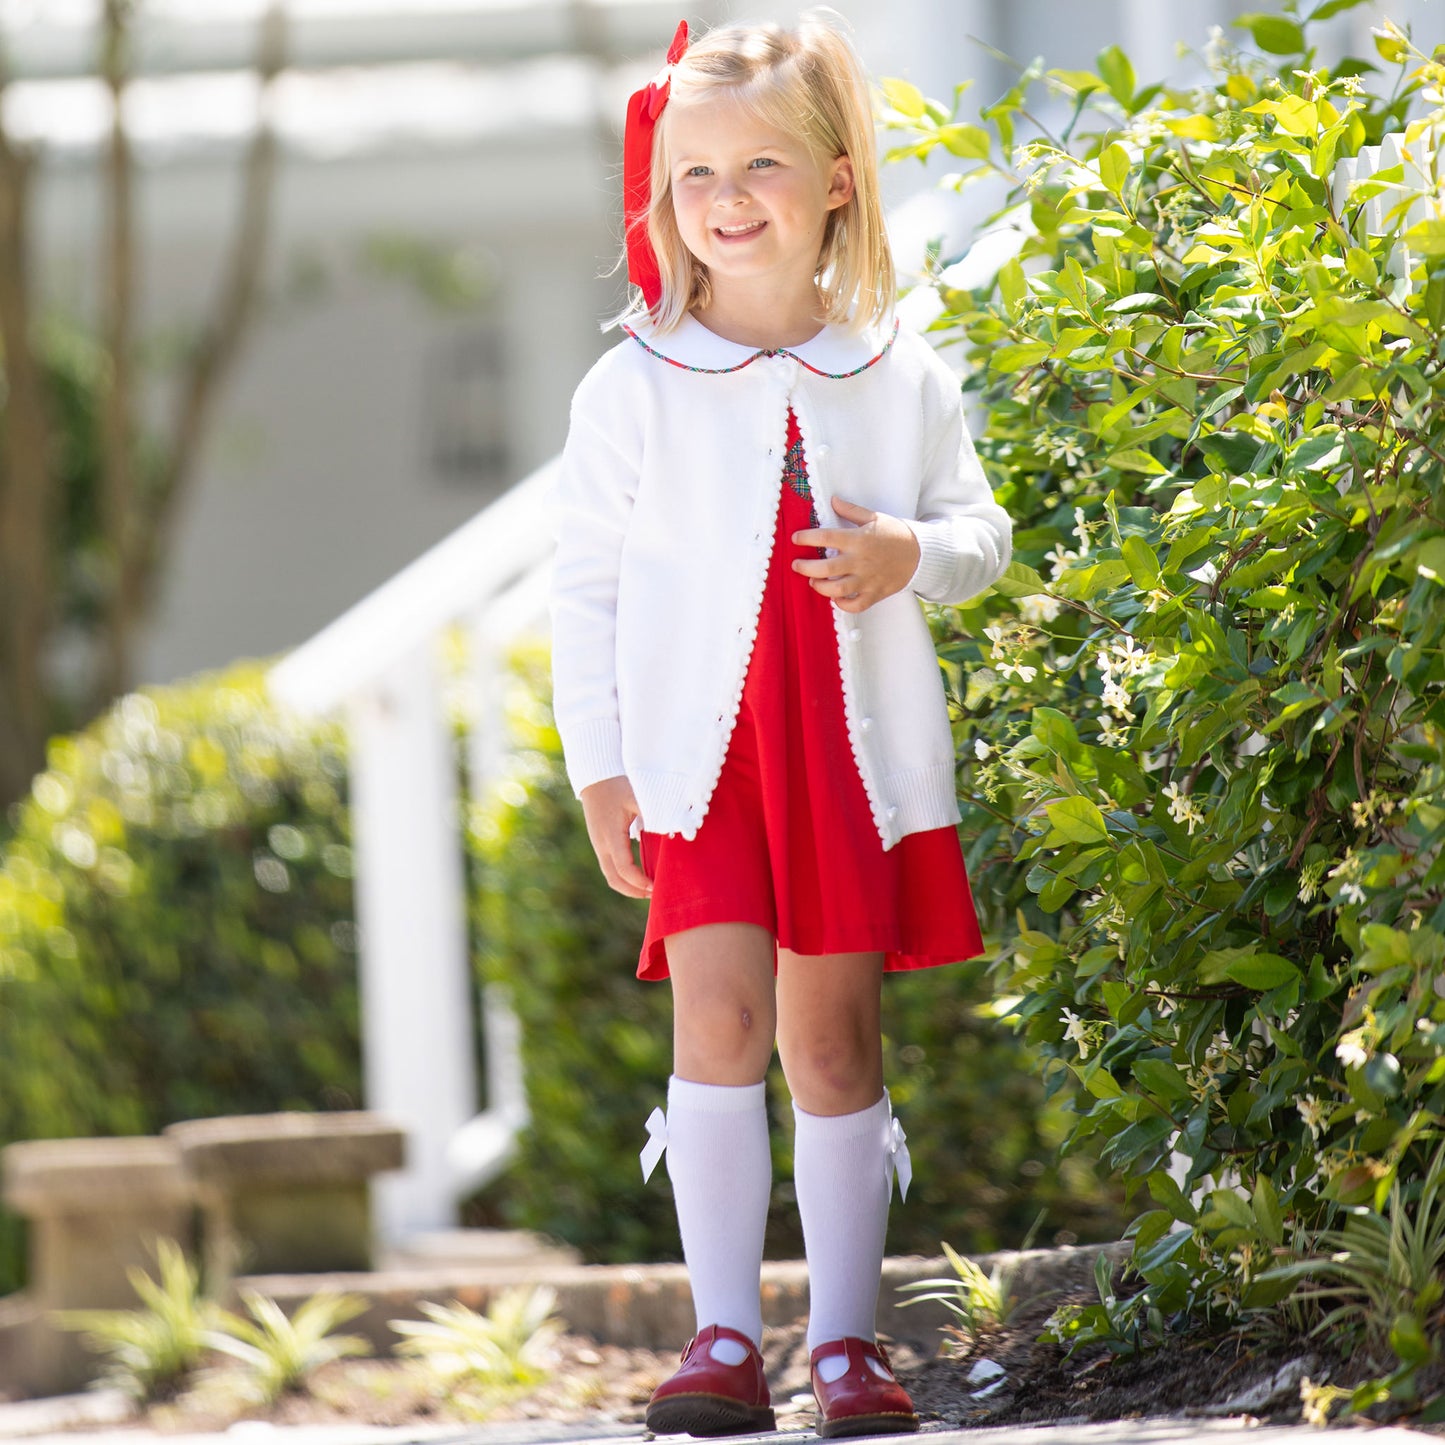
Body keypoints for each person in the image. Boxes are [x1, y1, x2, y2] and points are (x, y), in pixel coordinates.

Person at [547, 9, 1013, 1438]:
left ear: (832, 182)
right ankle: (725, 1336)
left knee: (831, 1043)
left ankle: (847, 1347)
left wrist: (908, 559)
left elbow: (979, 531)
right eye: (695, 174)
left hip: (846, 757)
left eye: (761, 164)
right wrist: (602, 769)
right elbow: (584, 589)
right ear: (662, 197)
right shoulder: (632, 384)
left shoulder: (895, 367)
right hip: (706, 758)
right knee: (720, 1022)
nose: (726, 198)